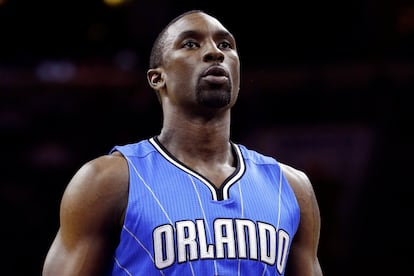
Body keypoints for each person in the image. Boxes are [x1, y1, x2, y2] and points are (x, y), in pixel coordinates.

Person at [42, 9, 323, 276]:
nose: (215, 52)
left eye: (226, 45)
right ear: (157, 77)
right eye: (190, 44)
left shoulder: (292, 187)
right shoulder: (107, 180)